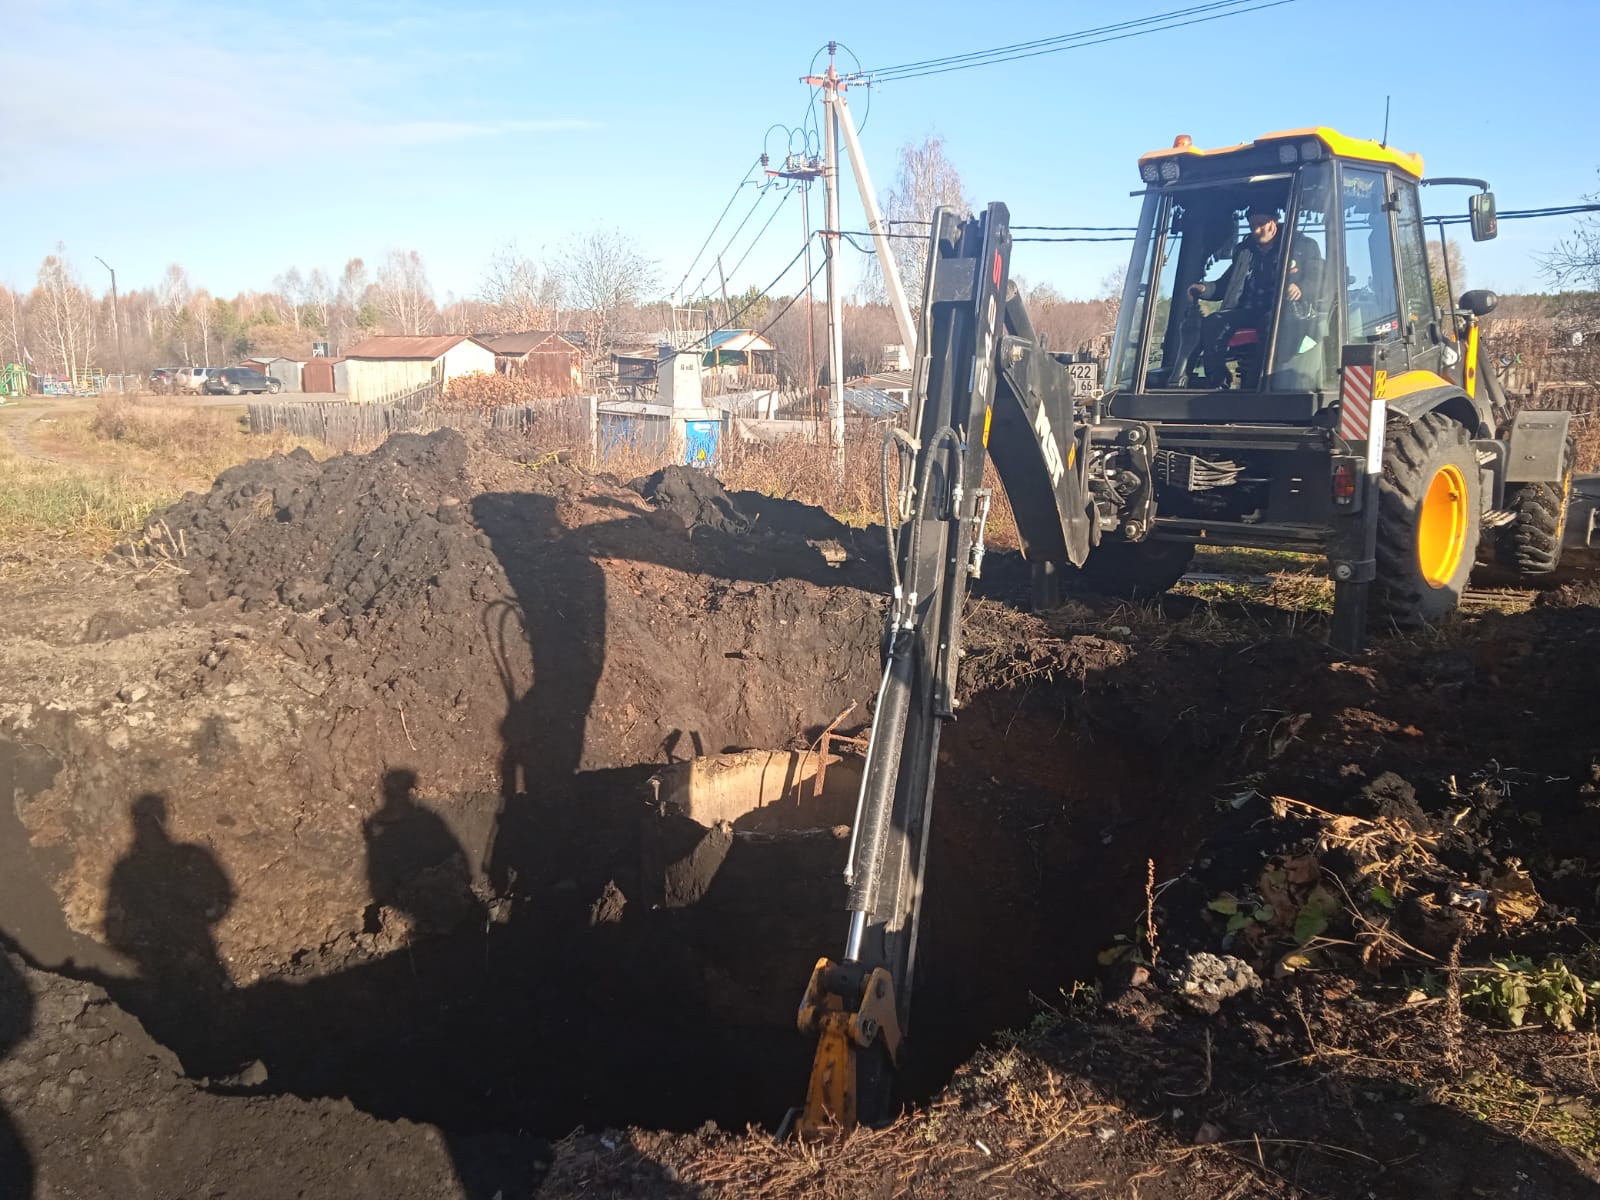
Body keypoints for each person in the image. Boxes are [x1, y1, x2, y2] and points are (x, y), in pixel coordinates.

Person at [1186, 204, 1322, 387]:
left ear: (1274, 220)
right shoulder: (1245, 250)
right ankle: (1217, 380)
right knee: (1213, 322)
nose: (1256, 230)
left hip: (1285, 311)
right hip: (1248, 311)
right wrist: (1204, 289)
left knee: (1270, 325)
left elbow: (1319, 278)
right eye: (1252, 226)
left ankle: (1260, 382)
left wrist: (1301, 288)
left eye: (1261, 224)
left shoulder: (1302, 246)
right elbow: (1226, 284)